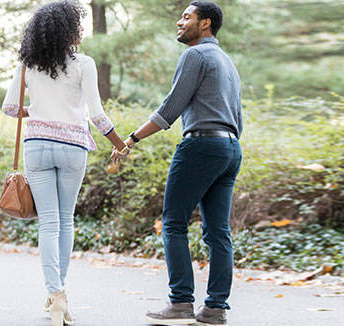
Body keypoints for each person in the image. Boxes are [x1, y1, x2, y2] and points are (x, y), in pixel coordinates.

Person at [112, 2, 242, 325]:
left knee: (172, 222)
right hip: (230, 149)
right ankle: (216, 308)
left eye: (187, 17)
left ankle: (181, 301)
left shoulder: (194, 56)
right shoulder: (228, 63)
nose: (179, 22)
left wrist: (131, 139)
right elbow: (239, 117)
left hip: (200, 146)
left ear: (206, 23)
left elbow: (170, 108)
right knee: (218, 231)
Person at [1, 2, 126, 325]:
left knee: (49, 223)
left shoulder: (28, 64)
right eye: (77, 25)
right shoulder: (84, 64)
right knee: (66, 221)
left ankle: (55, 294)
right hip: (73, 147)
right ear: (67, 31)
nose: (81, 30)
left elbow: (10, 108)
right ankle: (60, 293)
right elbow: (96, 115)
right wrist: (119, 144)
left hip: (38, 147)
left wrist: (38, 110)